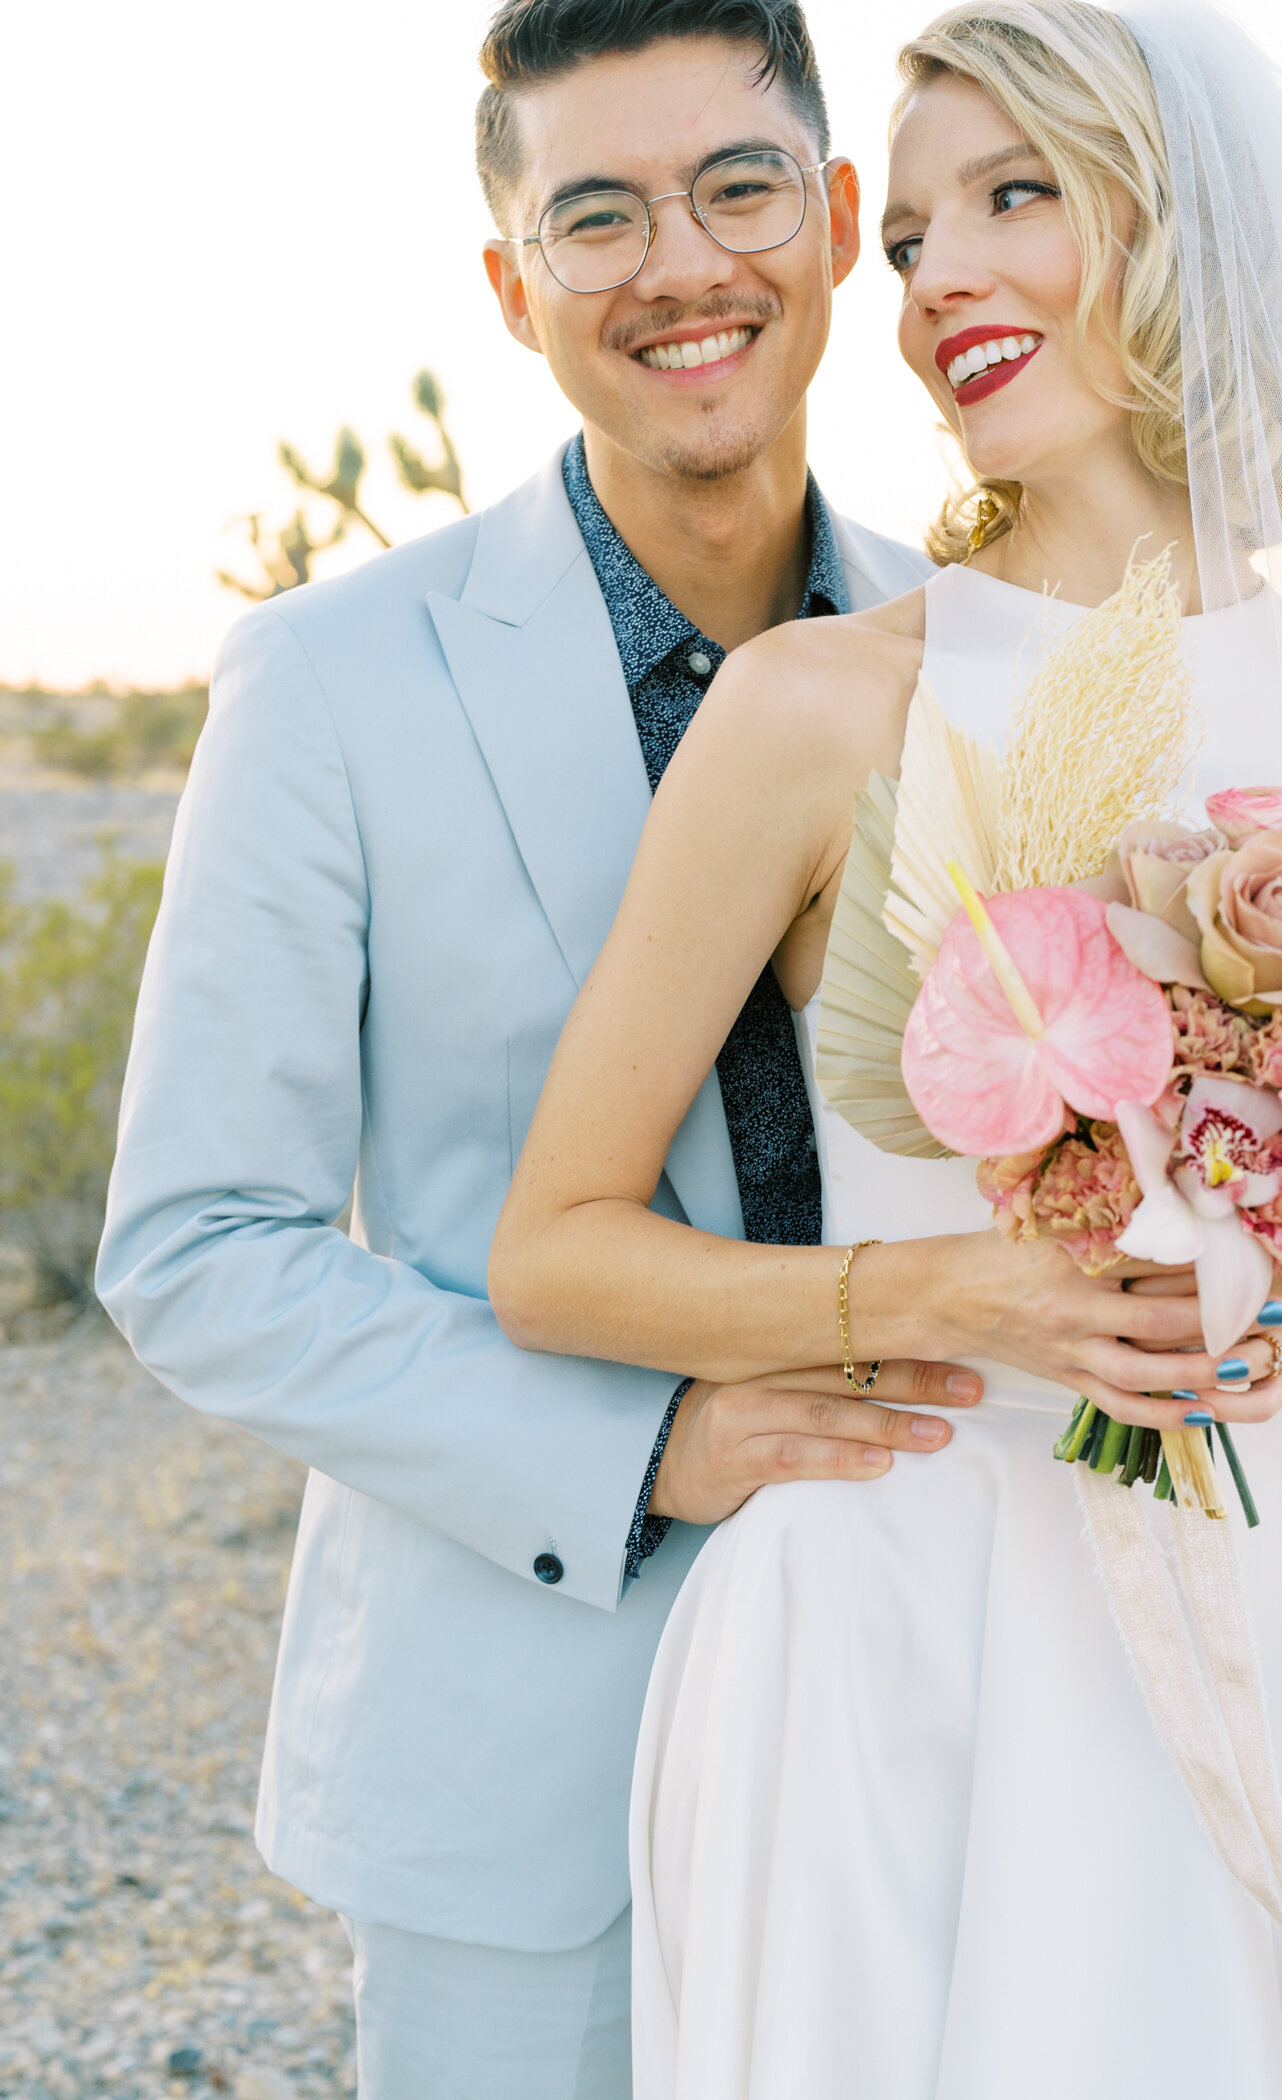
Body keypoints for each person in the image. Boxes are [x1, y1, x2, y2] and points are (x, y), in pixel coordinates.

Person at [490, 3, 1282, 2093]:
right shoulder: (822, 705)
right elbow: (555, 1246)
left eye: (1014, 199)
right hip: (922, 1611)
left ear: (1181, 225)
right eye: (902, 242)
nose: (937, 285)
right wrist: (950, 1291)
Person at [94, 3, 982, 2094]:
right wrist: (640, 1447)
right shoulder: (326, 681)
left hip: (946, 1676)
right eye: (597, 214)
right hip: (523, 1749)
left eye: (738, 186)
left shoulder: (978, 656)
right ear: (513, 287)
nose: (682, 265)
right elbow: (198, 1247)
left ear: (840, 218)